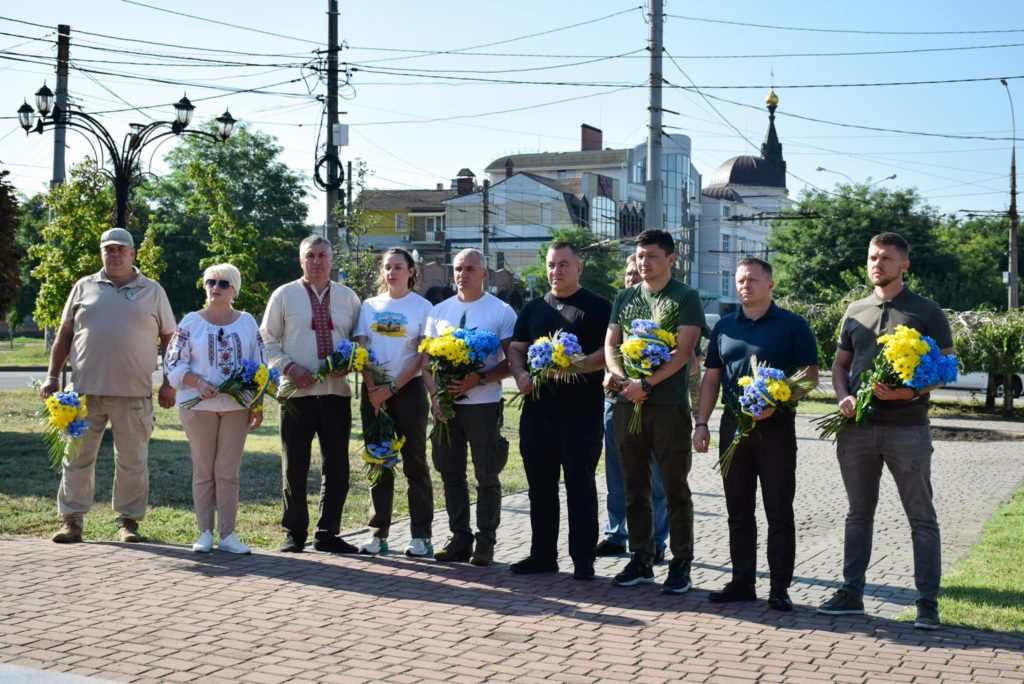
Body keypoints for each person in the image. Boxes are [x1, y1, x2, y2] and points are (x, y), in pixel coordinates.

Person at [817, 232, 954, 630]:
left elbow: (946, 367)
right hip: (856, 428)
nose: (877, 264)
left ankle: (927, 602)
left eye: (887, 259)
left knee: (921, 516)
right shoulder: (854, 309)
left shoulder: (926, 311)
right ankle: (851, 592)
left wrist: (909, 392)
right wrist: (842, 397)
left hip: (908, 429)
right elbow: (840, 365)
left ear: (904, 265)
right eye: (873, 257)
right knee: (858, 513)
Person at [693, 258, 819, 611]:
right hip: (733, 427)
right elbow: (712, 379)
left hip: (776, 428)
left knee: (778, 510)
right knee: (738, 511)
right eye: (739, 280)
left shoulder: (794, 325)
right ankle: (742, 582)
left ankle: (779, 586)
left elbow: (810, 375)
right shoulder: (725, 327)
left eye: (751, 279)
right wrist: (702, 423)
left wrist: (779, 401)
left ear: (770, 284)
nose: (744, 285)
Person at [42, 227, 177, 544]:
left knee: (132, 462)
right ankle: (71, 521)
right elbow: (64, 336)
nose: (115, 254)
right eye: (109, 249)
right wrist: (52, 375)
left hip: (134, 395)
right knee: (76, 459)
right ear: (102, 253)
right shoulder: (83, 287)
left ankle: (127, 523)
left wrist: (169, 381)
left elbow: (170, 339)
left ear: (133, 253)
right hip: (84, 395)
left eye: (121, 249)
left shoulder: (153, 291)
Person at [604, 229, 705, 593]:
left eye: (652, 256)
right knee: (634, 486)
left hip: (668, 407)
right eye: (640, 256)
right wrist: (619, 378)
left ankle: (681, 563)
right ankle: (642, 558)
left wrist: (646, 384)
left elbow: (683, 354)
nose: (644, 263)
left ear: (671, 259)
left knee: (674, 487)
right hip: (626, 404)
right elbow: (612, 343)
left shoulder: (685, 297)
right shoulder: (625, 297)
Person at [508, 242, 611, 580]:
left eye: (564, 264)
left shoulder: (597, 307)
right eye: (552, 265)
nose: (556, 271)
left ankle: (583, 559)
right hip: (537, 414)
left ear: (578, 268)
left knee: (579, 486)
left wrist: (574, 366)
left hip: (581, 415)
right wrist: (521, 373)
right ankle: (542, 555)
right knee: (540, 486)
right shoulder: (534, 308)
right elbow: (517, 349)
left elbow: (607, 354)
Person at [260, 236, 361, 554]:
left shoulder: (348, 298)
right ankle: (294, 533)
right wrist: (289, 367)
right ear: (301, 260)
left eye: (322, 255)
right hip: (295, 395)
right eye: (310, 256)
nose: (317, 261)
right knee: (295, 465)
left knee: (337, 466)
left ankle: (328, 533)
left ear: (332, 260)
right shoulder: (284, 295)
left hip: (336, 394)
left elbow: (360, 341)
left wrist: (348, 363)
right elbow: (266, 339)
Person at [164, 263, 265, 555]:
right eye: (210, 282)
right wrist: (197, 382)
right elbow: (173, 361)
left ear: (234, 289)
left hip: (236, 407)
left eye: (222, 284)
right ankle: (205, 532)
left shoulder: (246, 322)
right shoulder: (191, 322)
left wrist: (257, 403)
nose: (215, 288)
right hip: (198, 408)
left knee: (228, 471)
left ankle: (229, 534)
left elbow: (259, 363)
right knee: (203, 469)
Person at [423, 248, 516, 566]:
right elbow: (426, 363)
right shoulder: (439, 311)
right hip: (448, 409)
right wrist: (437, 396)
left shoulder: (501, 311)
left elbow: (513, 362)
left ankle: (486, 540)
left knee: (486, 475)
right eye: (459, 268)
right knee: (451, 474)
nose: (463, 274)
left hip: (484, 406)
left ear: (485, 274)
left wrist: (479, 379)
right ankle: (460, 537)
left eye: (471, 269)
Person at [353, 247, 435, 558]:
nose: (392, 273)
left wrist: (391, 388)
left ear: (411, 271)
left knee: (414, 463)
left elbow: (421, 355)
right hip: (373, 392)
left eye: (398, 267)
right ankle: (378, 533)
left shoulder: (423, 307)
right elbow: (361, 349)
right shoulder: (369, 305)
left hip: (408, 391)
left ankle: (421, 536)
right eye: (387, 267)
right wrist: (374, 388)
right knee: (379, 461)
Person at [596, 254, 669, 563]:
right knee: (616, 474)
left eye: (636, 275)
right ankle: (616, 533)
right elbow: (606, 353)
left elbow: (689, 363)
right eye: (627, 274)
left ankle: (657, 539)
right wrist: (611, 377)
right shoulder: (618, 311)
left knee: (654, 479)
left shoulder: (664, 312)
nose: (631, 279)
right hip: (616, 404)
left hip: (653, 406)